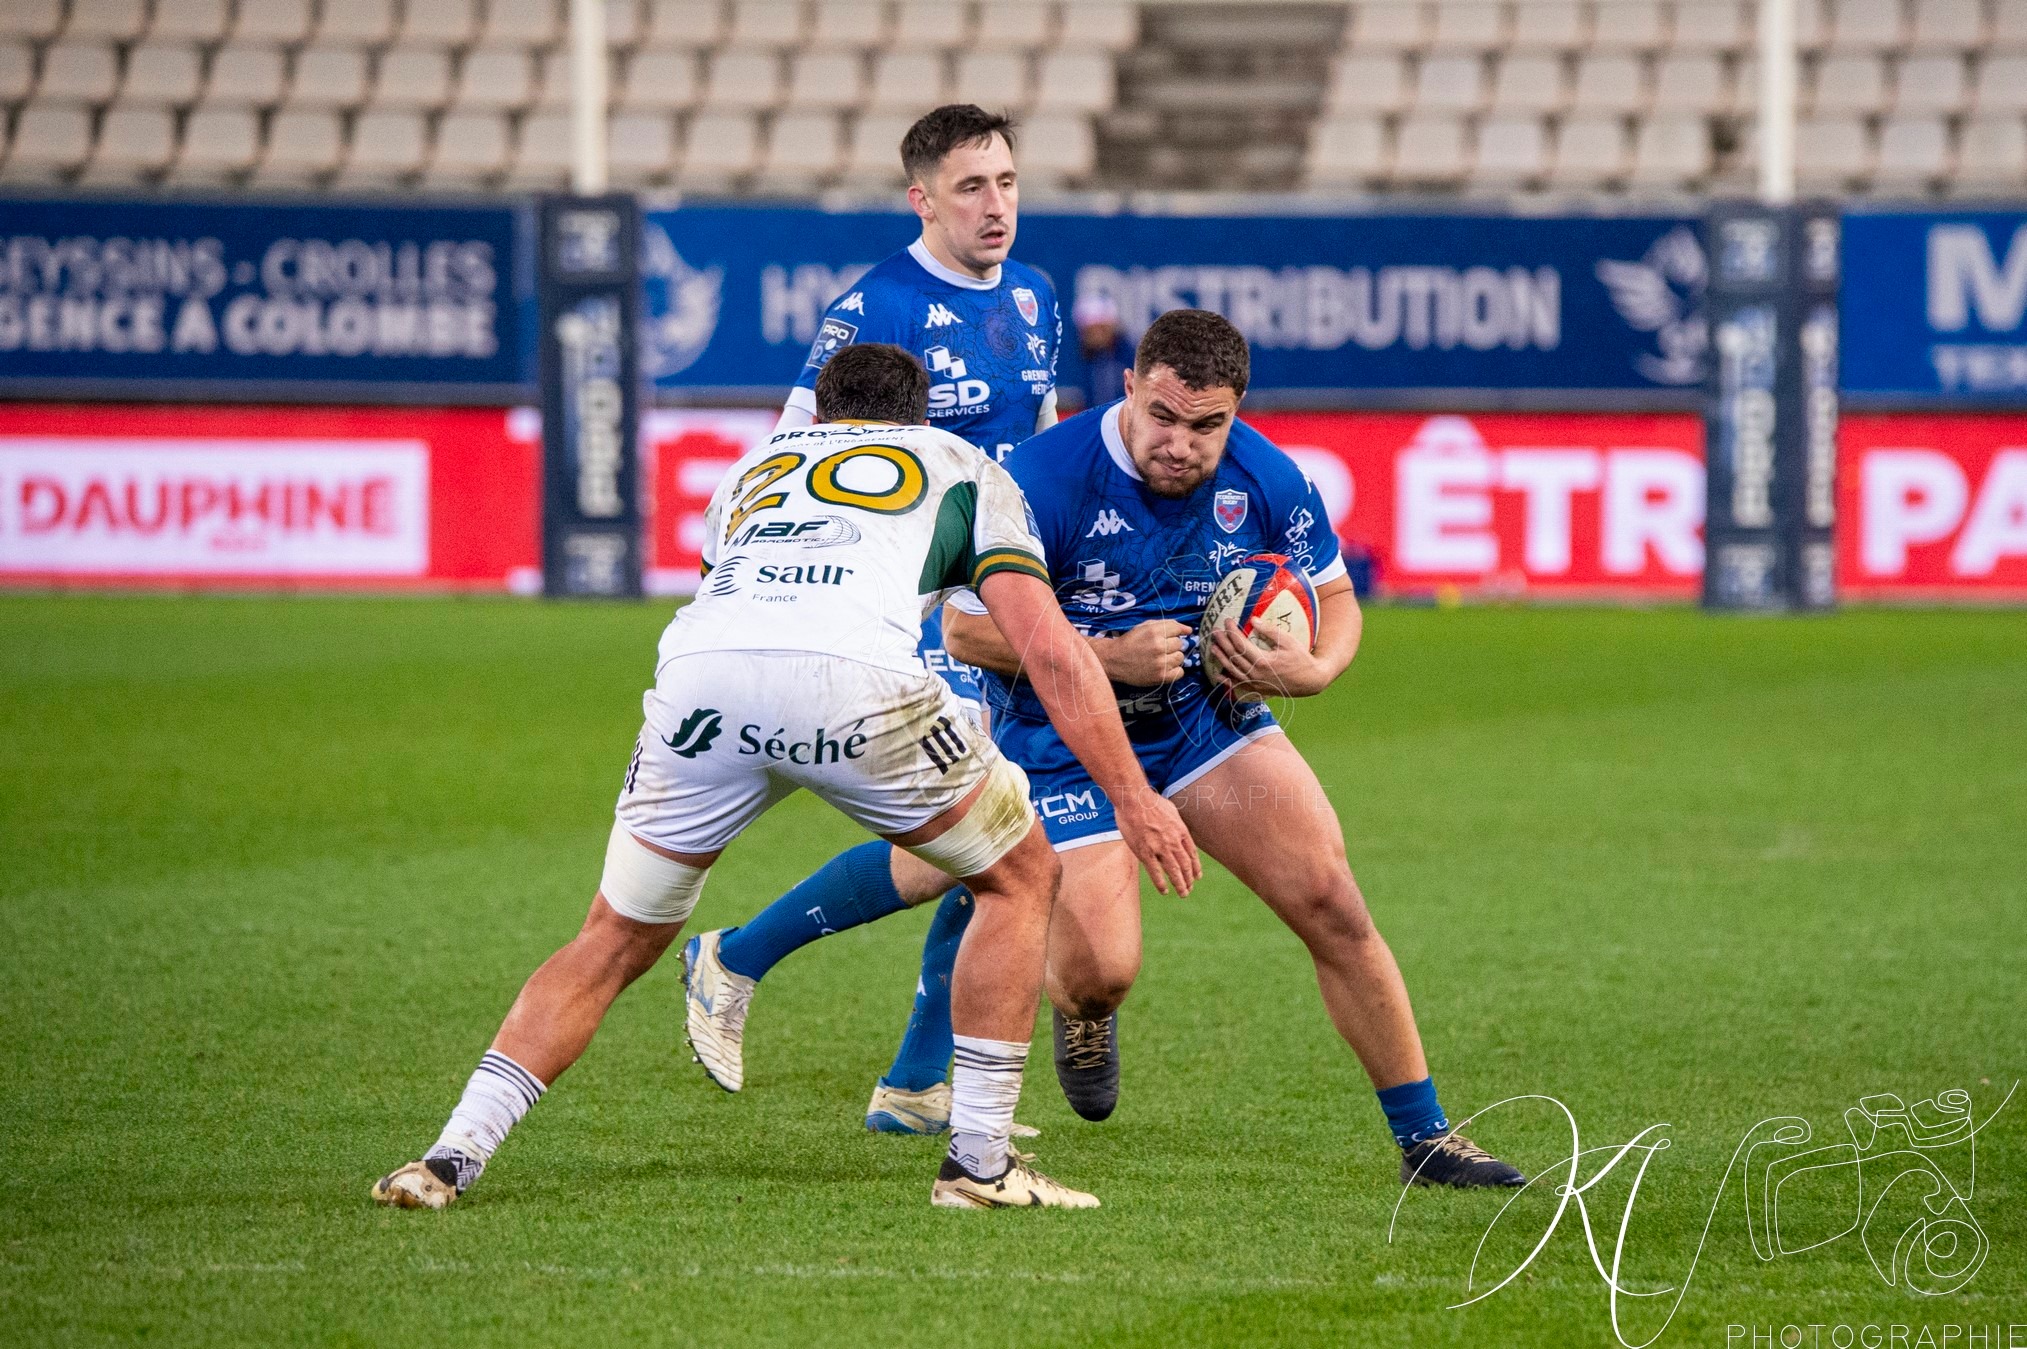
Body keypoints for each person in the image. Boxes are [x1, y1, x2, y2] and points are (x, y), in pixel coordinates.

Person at [370, 344, 1199, 1213]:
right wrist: (1133, 796)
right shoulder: (962, 463)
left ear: (823, 412)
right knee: (1020, 873)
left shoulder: (750, 471)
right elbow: (1048, 648)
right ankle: (979, 1165)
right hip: (854, 686)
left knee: (610, 937)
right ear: (918, 417)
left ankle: (450, 1154)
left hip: (701, 682)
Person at [681, 104, 1067, 1136]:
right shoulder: (874, 304)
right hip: (917, 605)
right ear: (921, 198)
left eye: (1007, 182)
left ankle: (912, 1081)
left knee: (999, 836)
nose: (996, 205)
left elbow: (1033, 444)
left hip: (999, 584)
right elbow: (790, 455)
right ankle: (734, 954)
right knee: (979, 833)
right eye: (971, 187)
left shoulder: (1034, 296)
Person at [1069, 292, 1136, 412]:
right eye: (1091, 330)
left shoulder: (1132, 358)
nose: (1097, 335)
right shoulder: (1078, 363)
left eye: (1101, 328)